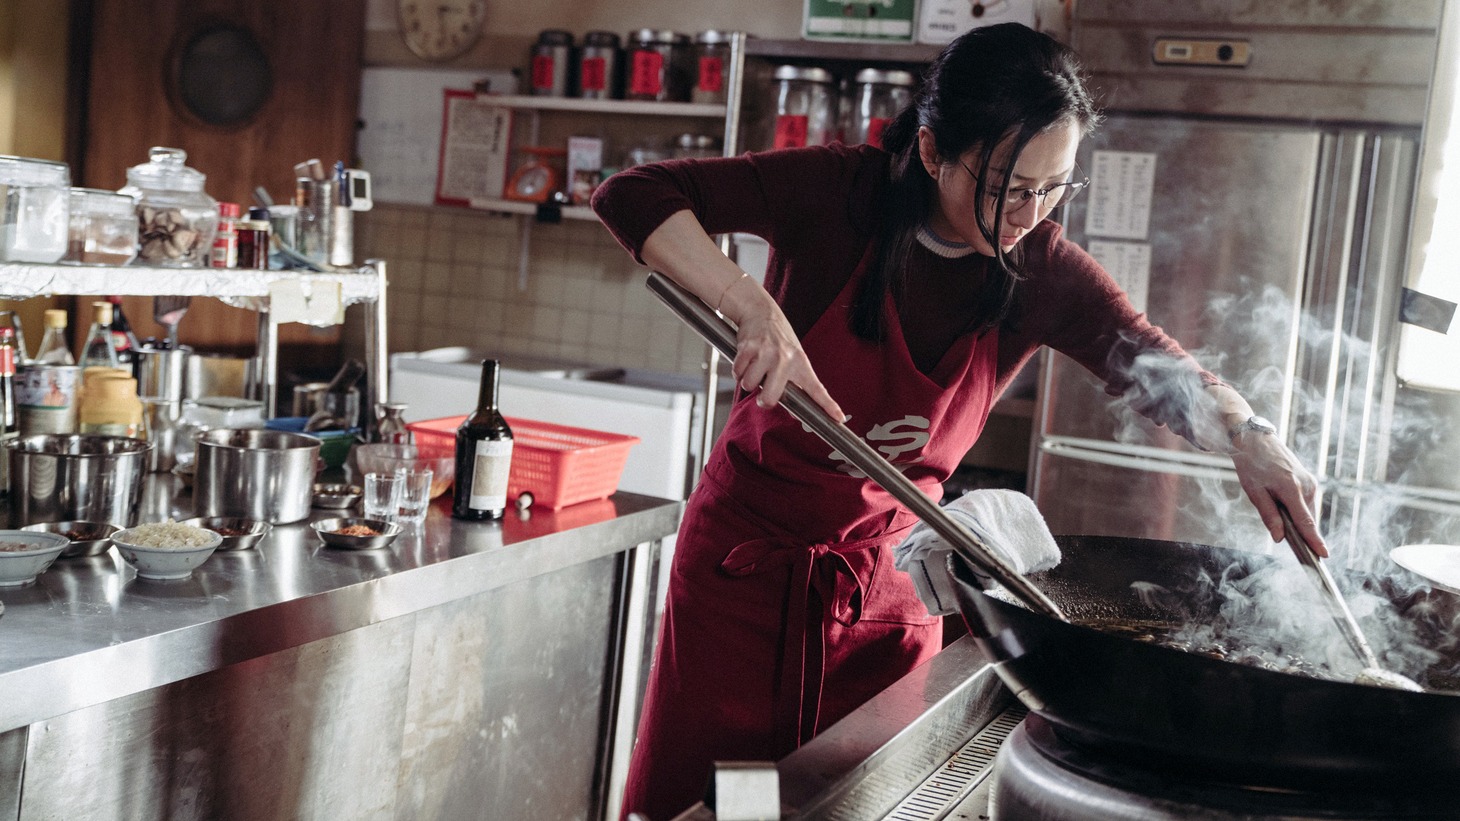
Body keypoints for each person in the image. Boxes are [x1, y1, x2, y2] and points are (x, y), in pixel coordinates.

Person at [592, 22, 1324, 820]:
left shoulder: (1040, 268)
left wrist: (1251, 436)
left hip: (882, 590)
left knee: (843, 803)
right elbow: (632, 193)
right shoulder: (838, 194)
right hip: (744, 576)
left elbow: (1158, 365)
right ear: (936, 151)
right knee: (709, 808)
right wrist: (752, 306)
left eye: (1054, 188)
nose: (1029, 213)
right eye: (1011, 186)